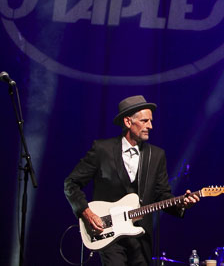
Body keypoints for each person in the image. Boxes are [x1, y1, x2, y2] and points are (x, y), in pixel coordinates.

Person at [64, 95, 200, 265]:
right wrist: (87, 213)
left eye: (150, 121)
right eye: (144, 121)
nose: (150, 126)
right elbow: (71, 184)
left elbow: (162, 195)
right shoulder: (102, 150)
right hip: (109, 236)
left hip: (141, 239)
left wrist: (180, 204)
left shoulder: (156, 155)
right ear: (128, 122)